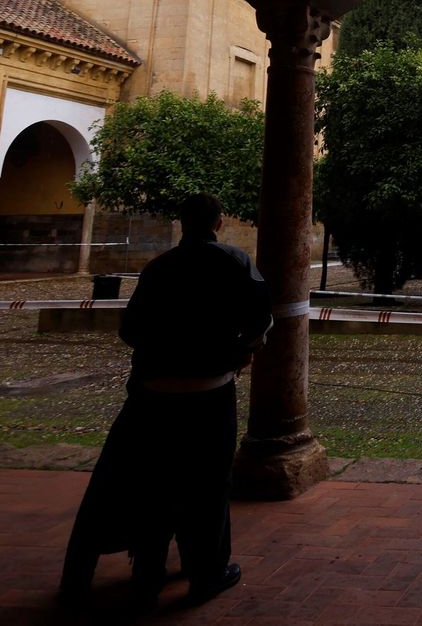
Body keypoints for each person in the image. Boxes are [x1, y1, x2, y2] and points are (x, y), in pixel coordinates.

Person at [59, 193, 272, 611]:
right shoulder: (234, 261)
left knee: (153, 480)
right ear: (218, 223)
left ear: (182, 223)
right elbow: (261, 316)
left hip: (155, 395)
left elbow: (131, 329)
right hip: (210, 392)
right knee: (209, 482)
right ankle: (206, 572)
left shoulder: (158, 268)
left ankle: (148, 572)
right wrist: (241, 352)